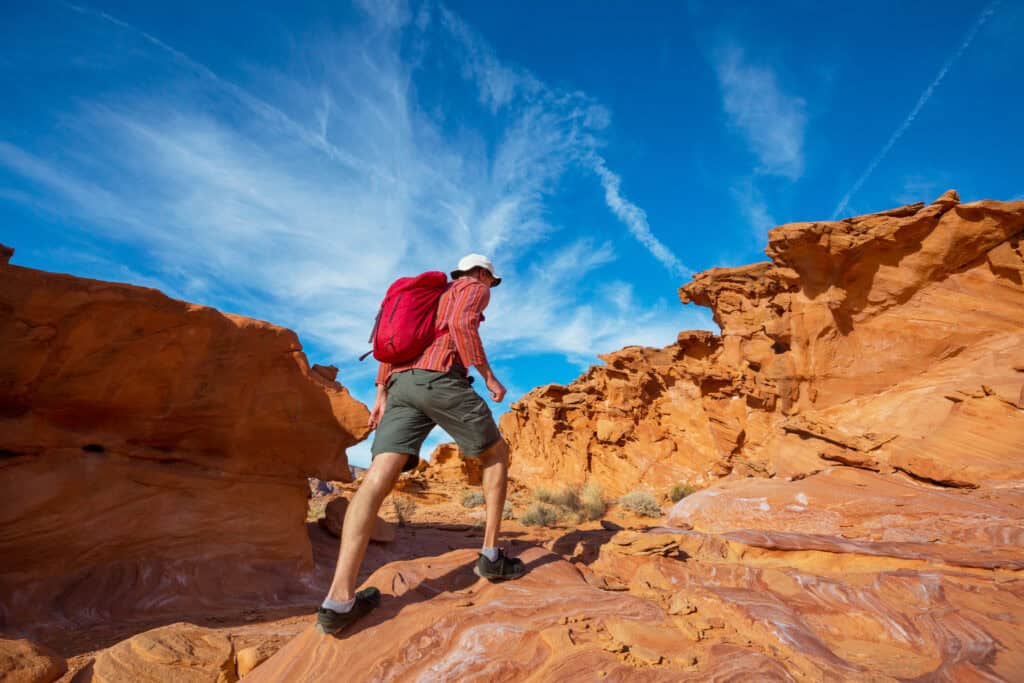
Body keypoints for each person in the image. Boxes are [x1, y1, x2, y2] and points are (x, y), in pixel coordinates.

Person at [316, 254, 525, 635]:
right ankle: (491, 555)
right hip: (440, 378)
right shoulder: (471, 288)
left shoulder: (424, 299)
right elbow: (463, 324)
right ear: (481, 274)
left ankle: (338, 601)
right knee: (496, 454)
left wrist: (380, 395)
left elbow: (389, 350)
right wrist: (489, 377)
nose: (488, 286)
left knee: (377, 478)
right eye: (490, 280)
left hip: (400, 387)